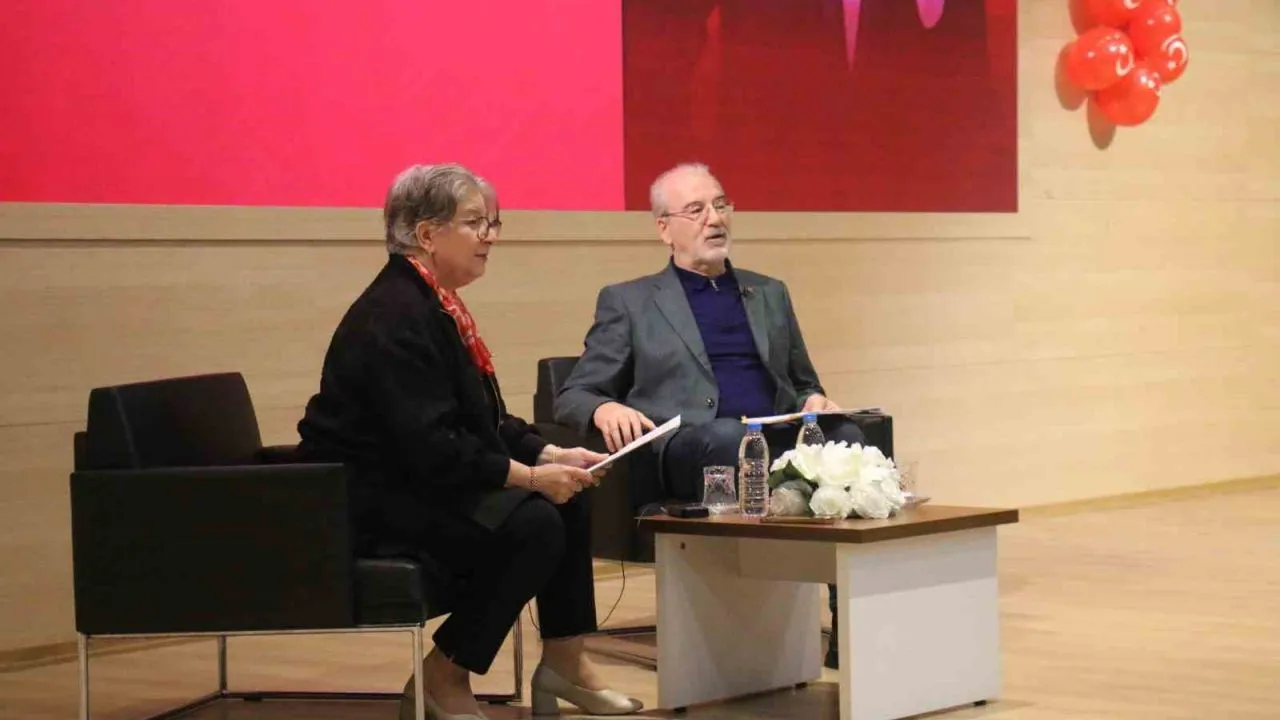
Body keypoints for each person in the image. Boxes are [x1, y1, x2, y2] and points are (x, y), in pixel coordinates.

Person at [296, 164, 642, 720]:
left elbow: (483, 419)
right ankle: (445, 673)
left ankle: (565, 662)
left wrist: (551, 455)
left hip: (418, 482)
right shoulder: (393, 316)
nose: (490, 237)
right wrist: (532, 479)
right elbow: (433, 446)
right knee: (533, 522)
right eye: (475, 223)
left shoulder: (436, 301)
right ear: (427, 234)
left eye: (493, 223)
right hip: (369, 501)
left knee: (570, 497)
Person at [552, 162, 866, 668]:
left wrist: (816, 401)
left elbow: (804, 381)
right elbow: (575, 394)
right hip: (692, 444)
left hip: (774, 433)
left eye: (721, 205)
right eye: (696, 210)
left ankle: (849, 623)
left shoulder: (769, 292)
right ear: (664, 228)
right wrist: (604, 405)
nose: (714, 219)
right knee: (728, 439)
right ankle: (748, 632)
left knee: (849, 436)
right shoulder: (630, 301)